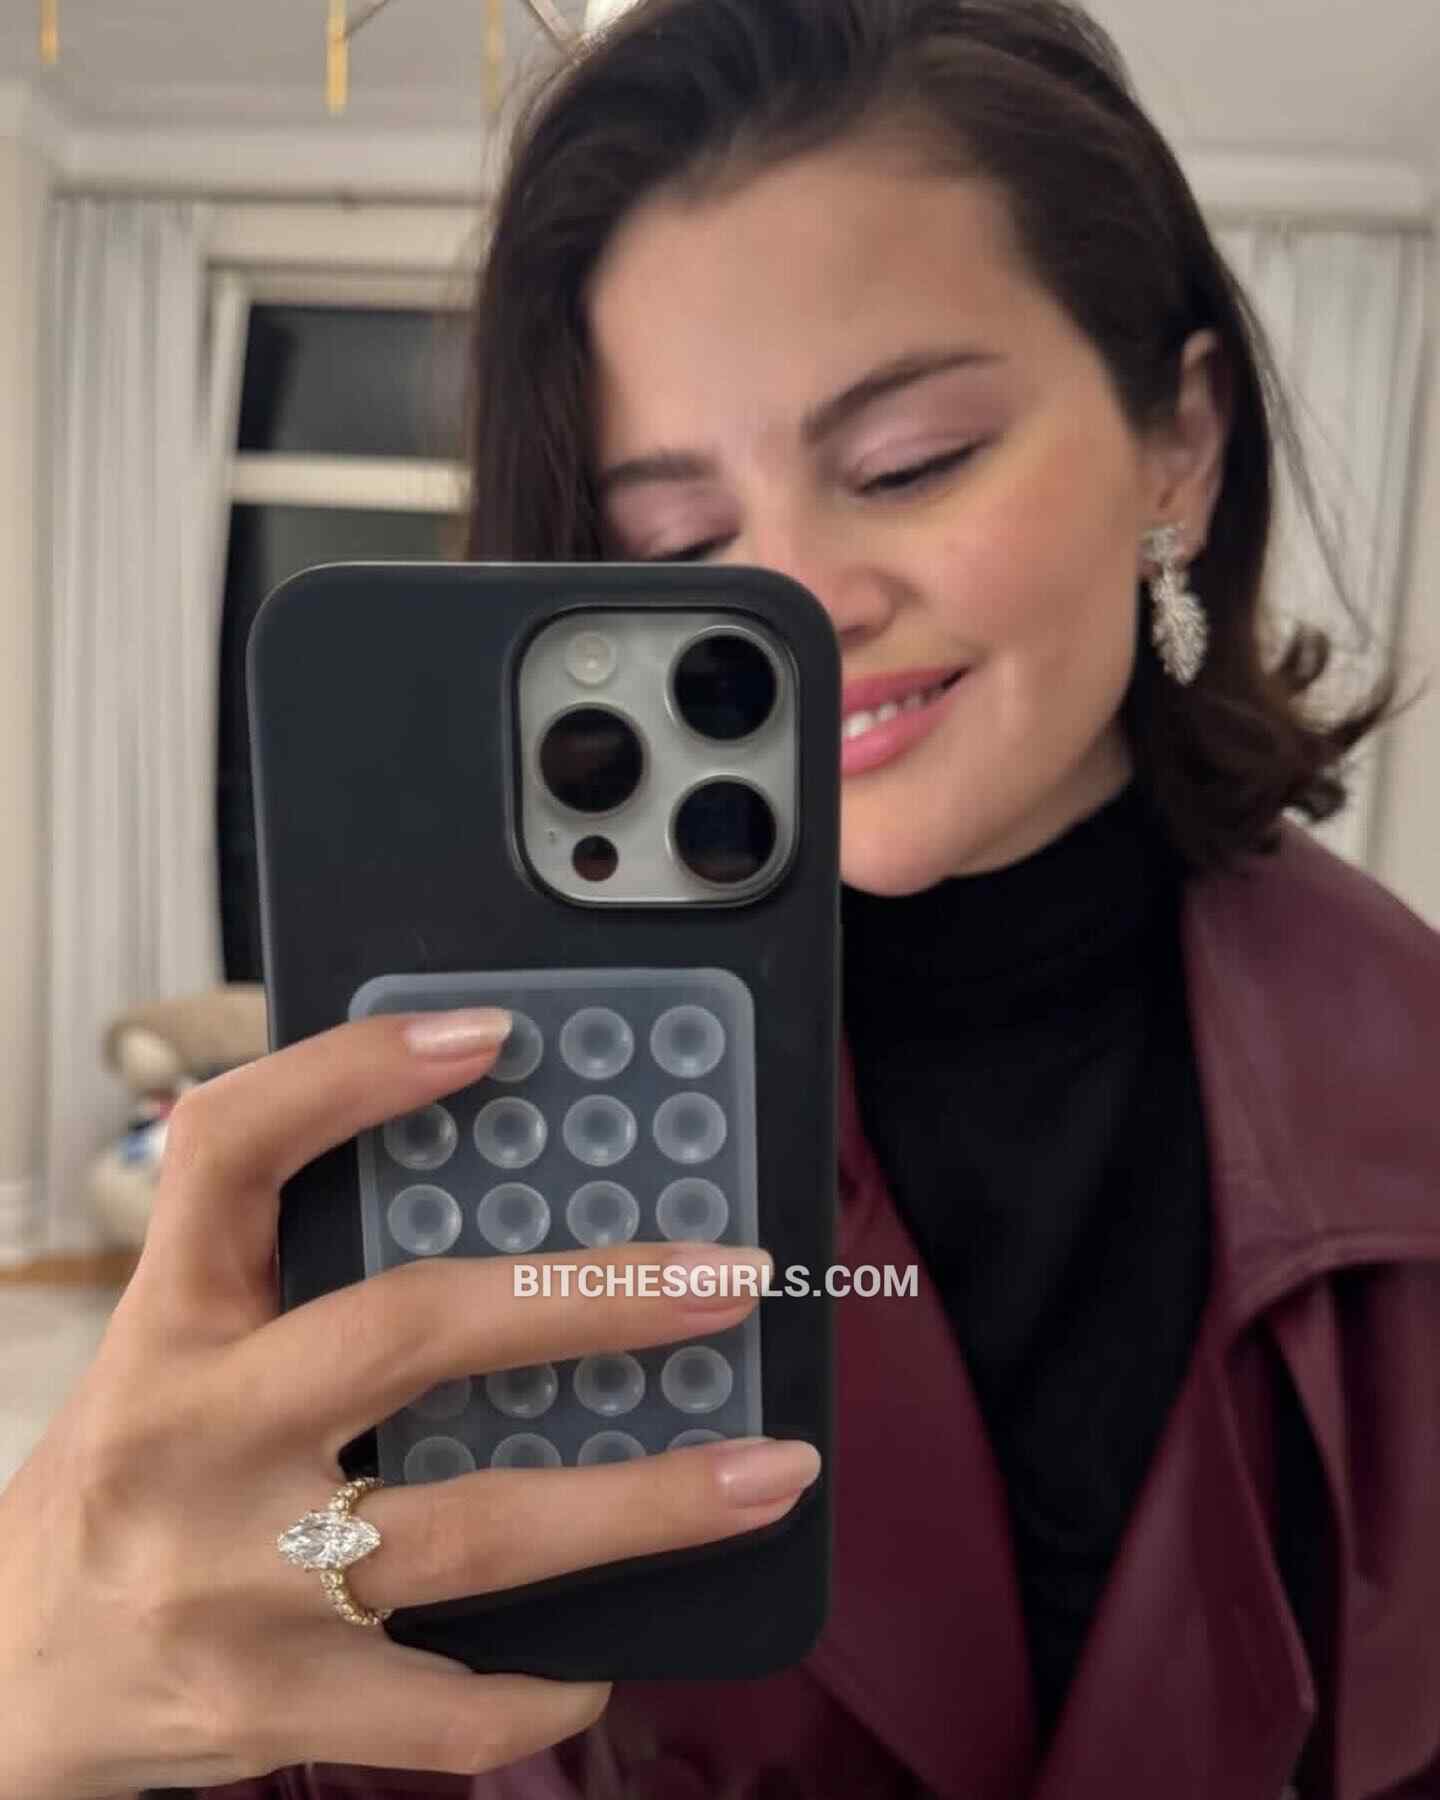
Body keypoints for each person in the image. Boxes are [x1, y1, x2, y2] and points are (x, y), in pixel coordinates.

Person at [3, 0, 1438, 1796]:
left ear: (1182, 441)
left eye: (910, 460)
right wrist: (58, 1683)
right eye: (678, 546)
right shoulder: (491, 1095)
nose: (799, 598)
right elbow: (341, 1672)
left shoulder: (1409, 1078)